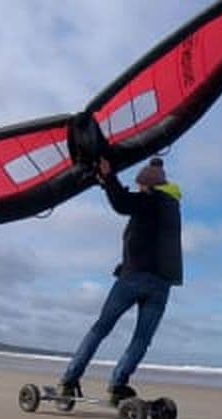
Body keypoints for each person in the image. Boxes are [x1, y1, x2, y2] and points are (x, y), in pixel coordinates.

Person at [58, 156, 183, 405]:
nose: (138, 189)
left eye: (140, 185)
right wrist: (111, 183)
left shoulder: (150, 200)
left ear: (148, 186)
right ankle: (118, 385)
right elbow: (137, 209)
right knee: (142, 339)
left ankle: (70, 380)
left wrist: (108, 176)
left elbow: (122, 204)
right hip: (162, 284)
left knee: (101, 328)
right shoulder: (172, 206)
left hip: (134, 277)